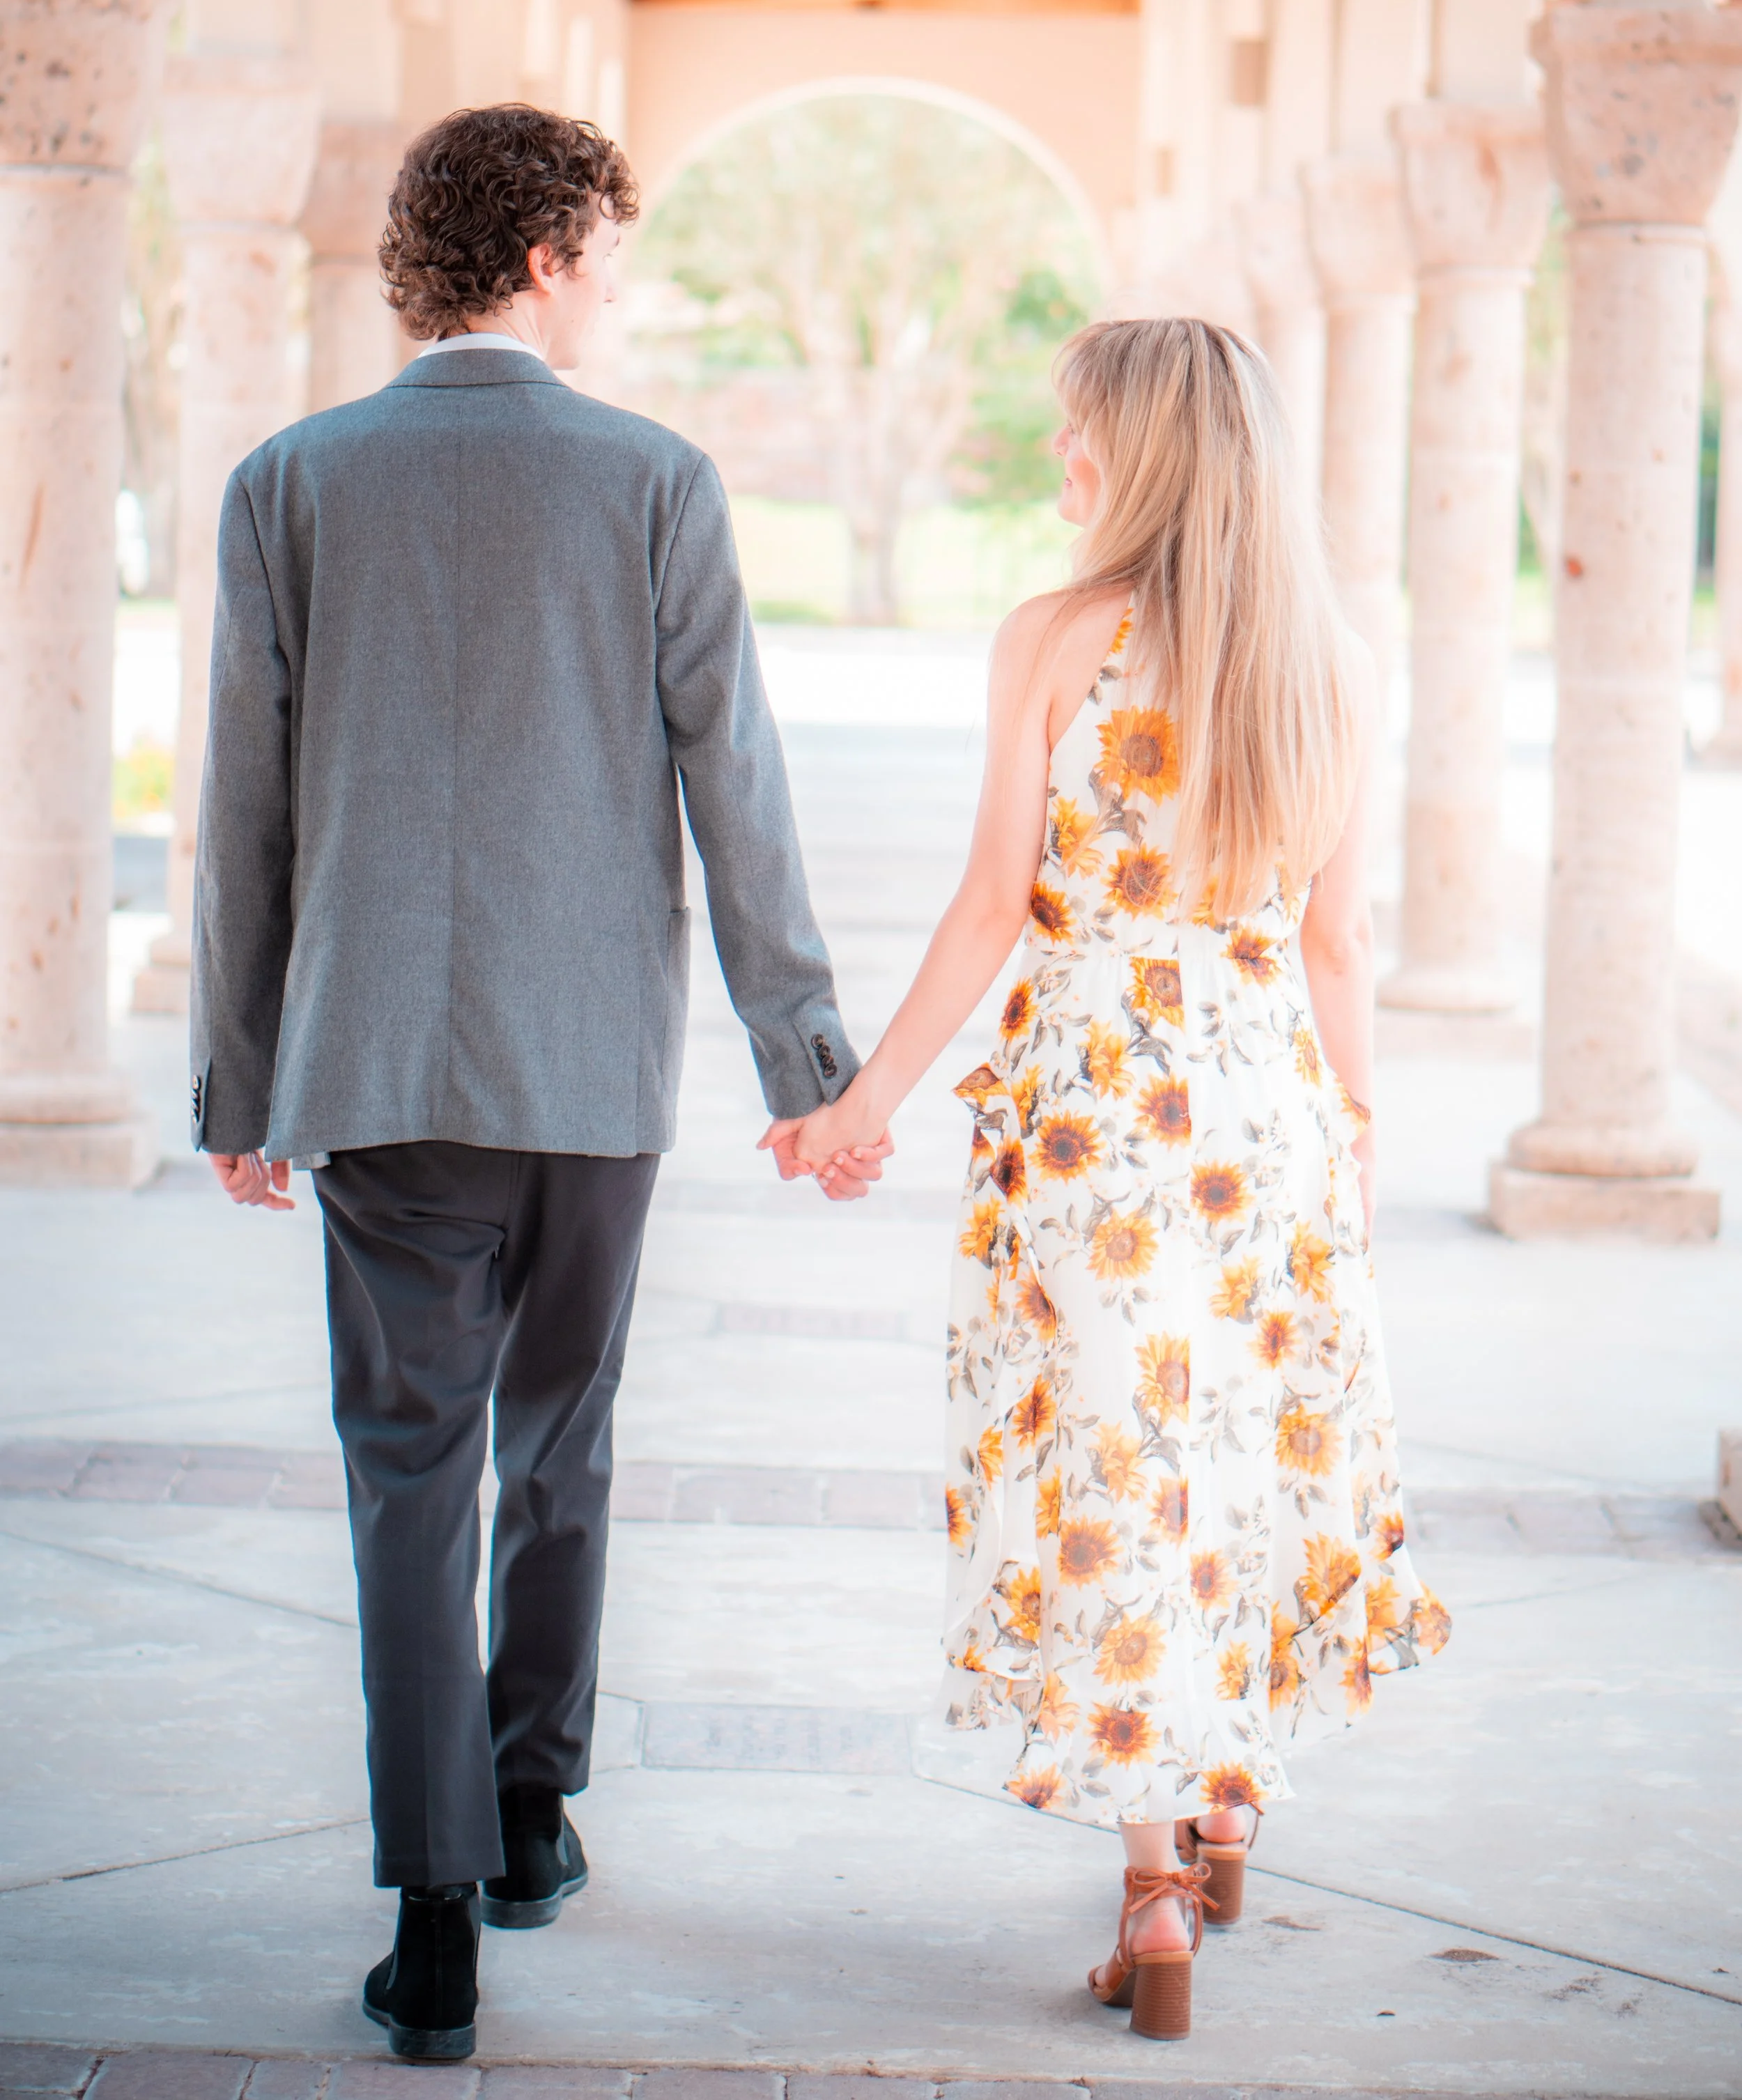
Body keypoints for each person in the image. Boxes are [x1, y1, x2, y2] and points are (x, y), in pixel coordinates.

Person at [192, 103, 883, 2062]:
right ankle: (525, 1814)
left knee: (404, 1464)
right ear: (556, 248)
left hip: (379, 1067)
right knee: (558, 1434)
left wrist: (243, 1078)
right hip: (591, 1069)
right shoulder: (655, 478)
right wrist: (802, 1058)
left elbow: (241, 809)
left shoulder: (288, 481)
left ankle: (429, 1927)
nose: (619, 278)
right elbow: (731, 778)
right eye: (612, 245)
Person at [794, 316, 1449, 2043]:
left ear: (1138, 452)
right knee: (1228, 1450)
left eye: (1076, 434)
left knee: (1114, 1470)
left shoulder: (1056, 639)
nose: (1060, 461)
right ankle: (1228, 1800)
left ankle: (1154, 1881)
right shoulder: (1336, 655)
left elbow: (991, 902)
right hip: (1269, 1111)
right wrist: (1356, 1143)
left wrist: (863, 1099)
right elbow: (1340, 935)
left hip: (1094, 1109)